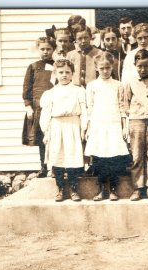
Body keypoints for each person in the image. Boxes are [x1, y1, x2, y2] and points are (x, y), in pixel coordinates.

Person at [40, 59, 87, 201]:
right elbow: (46, 114)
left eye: (68, 72)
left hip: (73, 125)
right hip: (57, 126)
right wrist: (46, 131)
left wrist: (83, 128)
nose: (64, 75)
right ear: (55, 74)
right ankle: (60, 189)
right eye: (61, 72)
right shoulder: (50, 93)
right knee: (58, 157)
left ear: (72, 74)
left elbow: (84, 110)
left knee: (72, 157)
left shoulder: (79, 90)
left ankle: (73, 189)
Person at [85, 52, 129, 201]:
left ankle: (113, 189)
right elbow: (89, 109)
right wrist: (89, 128)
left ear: (112, 67)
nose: (105, 71)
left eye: (108, 68)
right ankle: (101, 189)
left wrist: (124, 127)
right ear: (97, 68)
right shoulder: (91, 86)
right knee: (99, 159)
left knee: (114, 160)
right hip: (98, 125)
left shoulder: (118, 85)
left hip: (114, 125)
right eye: (102, 68)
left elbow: (123, 107)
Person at [125, 49, 148, 201]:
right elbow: (125, 103)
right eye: (140, 66)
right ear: (135, 65)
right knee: (136, 155)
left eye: (146, 66)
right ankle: (137, 187)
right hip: (136, 121)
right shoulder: (130, 82)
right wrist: (132, 117)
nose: (143, 69)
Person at [22, 37, 56, 178]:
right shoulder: (33, 67)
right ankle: (44, 166)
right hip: (38, 108)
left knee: (56, 137)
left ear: (53, 49)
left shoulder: (57, 66)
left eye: (48, 49)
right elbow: (27, 88)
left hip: (54, 107)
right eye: (42, 49)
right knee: (42, 138)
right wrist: (28, 106)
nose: (45, 52)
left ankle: (57, 167)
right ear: (38, 50)